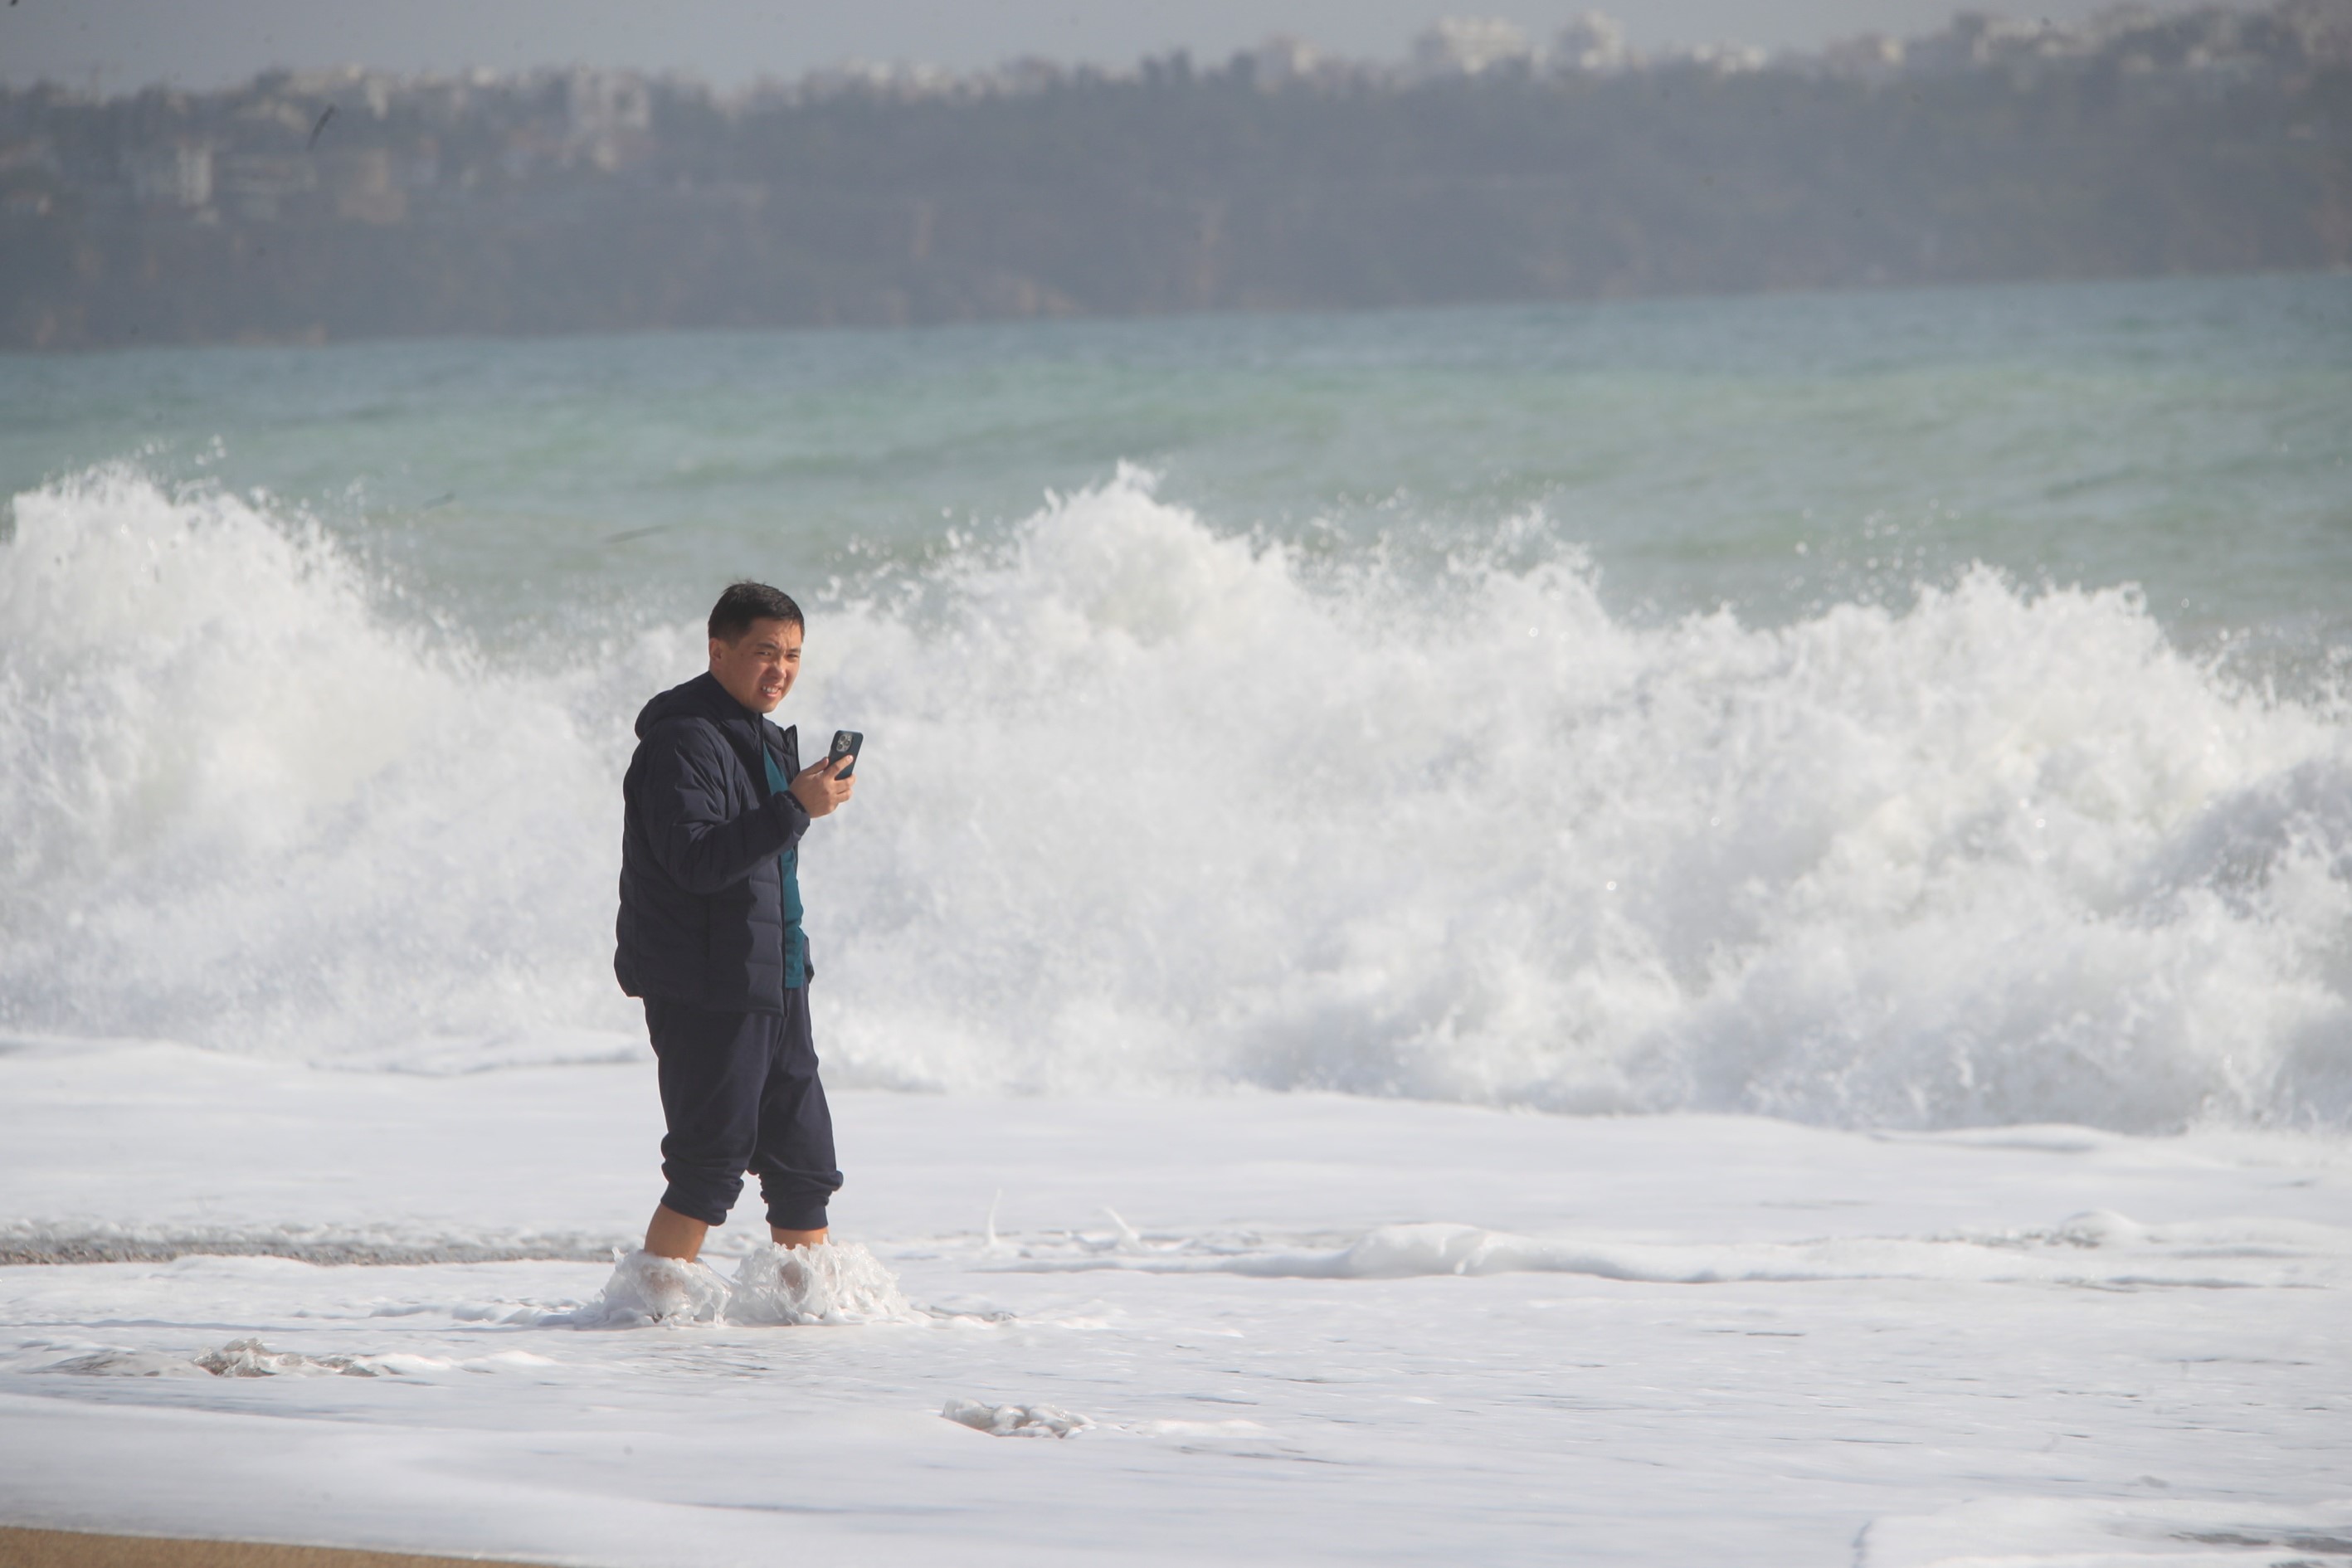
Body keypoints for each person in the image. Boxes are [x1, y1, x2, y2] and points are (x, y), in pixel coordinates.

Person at [614, 581, 855, 1267]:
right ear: (718, 651)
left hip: (774, 978)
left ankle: (806, 1330)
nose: (779, 670)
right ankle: (648, 1322)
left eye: (793, 656)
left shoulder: (762, 739)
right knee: (707, 1166)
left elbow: (762, 866)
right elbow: (695, 861)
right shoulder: (682, 741)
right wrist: (794, 808)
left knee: (804, 1169)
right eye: (763, 652)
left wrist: (800, 802)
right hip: (705, 985)